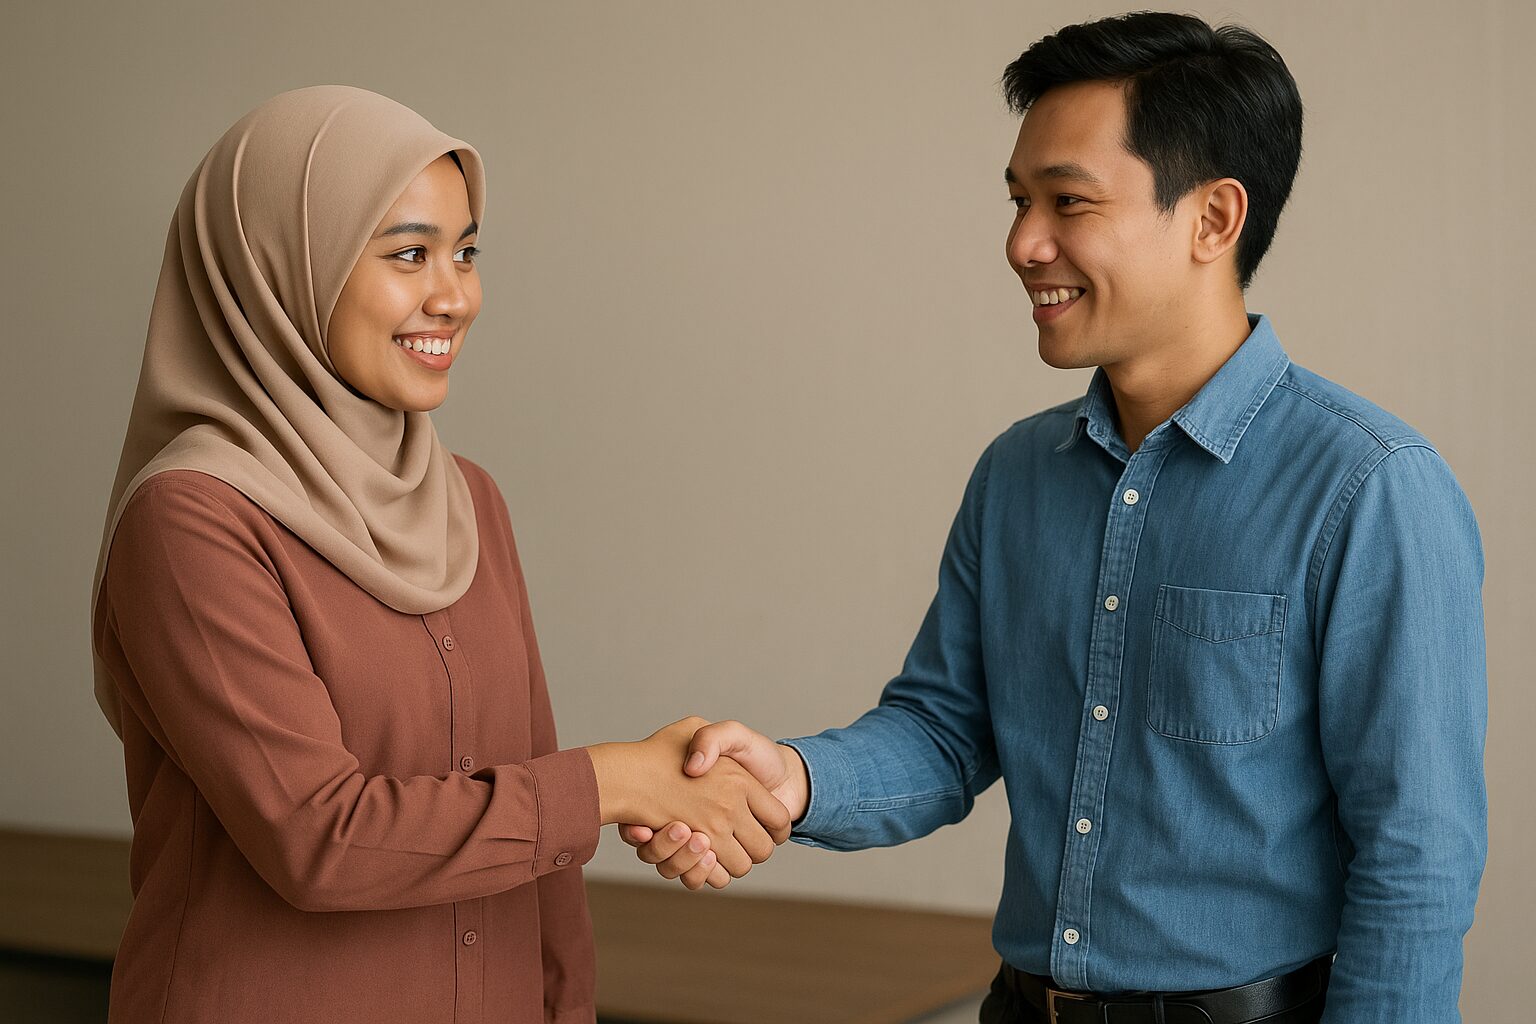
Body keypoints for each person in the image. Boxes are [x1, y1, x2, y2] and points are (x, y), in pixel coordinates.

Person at [620, 12, 1488, 1023]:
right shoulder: (1016, 474)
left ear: (1213, 219)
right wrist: (792, 779)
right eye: (1020, 201)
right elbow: (945, 731)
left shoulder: (1372, 487)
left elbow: (1416, 860)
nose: (1023, 243)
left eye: (1068, 202)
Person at [88, 85, 789, 1024]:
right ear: (282, 266)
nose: (455, 296)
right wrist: (623, 780)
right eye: (409, 254)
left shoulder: (470, 501)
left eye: (465, 253)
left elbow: (538, 830)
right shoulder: (193, 518)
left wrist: (565, 1005)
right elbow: (321, 838)